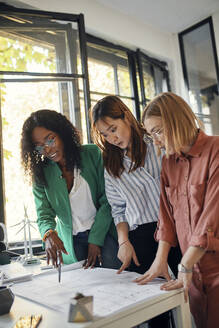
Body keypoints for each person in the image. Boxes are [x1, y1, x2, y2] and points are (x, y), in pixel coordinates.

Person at [91, 95, 181, 328]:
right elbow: (118, 210)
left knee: (188, 289)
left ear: (127, 117)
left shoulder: (156, 141)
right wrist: (123, 242)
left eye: (114, 129)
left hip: (177, 227)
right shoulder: (112, 165)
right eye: (106, 135)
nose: (112, 138)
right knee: (152, 304)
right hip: (141, 233)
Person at [138, 92, 219, 328]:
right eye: (150, 135)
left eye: (158, 131)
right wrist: (160, 260)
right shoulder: (168, 163)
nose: (156, 142)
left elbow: (211, 218)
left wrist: (185, 264)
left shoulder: (216, 150)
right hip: (191, 275)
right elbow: (166, 217)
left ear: (176, 121)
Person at [21, 109, 120, 270]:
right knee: (81, 291)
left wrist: (95, 239)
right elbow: (44, 214)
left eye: (50, 140)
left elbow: (107, 200)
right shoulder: (41, 174)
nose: (47, 150)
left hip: (103, 234)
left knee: (116, 283)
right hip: (71, 243)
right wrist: (48, 234)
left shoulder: (92, 154)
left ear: (62, 133)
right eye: (39, 147)